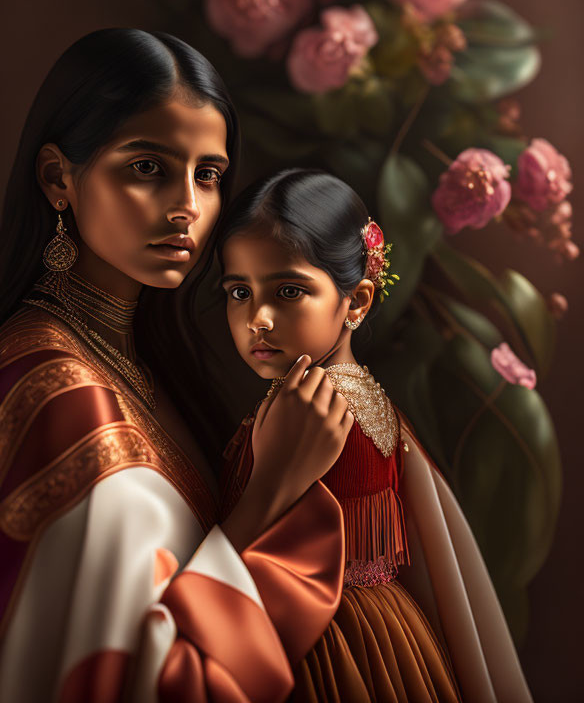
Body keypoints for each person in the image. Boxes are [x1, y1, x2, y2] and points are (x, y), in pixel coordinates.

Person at [0, 30, 355, 703]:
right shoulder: (56, 390)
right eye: (148, 168)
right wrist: (272, 491)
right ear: (58, 179)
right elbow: (136, 677)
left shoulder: (138, 358)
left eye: (208, 175)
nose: (188, 206)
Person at [216, 168, 534, 703]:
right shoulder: (368, 394)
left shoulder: (308, 406)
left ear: (357, 302)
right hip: (391, 632)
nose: (257, 319)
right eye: (238, 291)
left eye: (288, 291)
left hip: (314, 638)